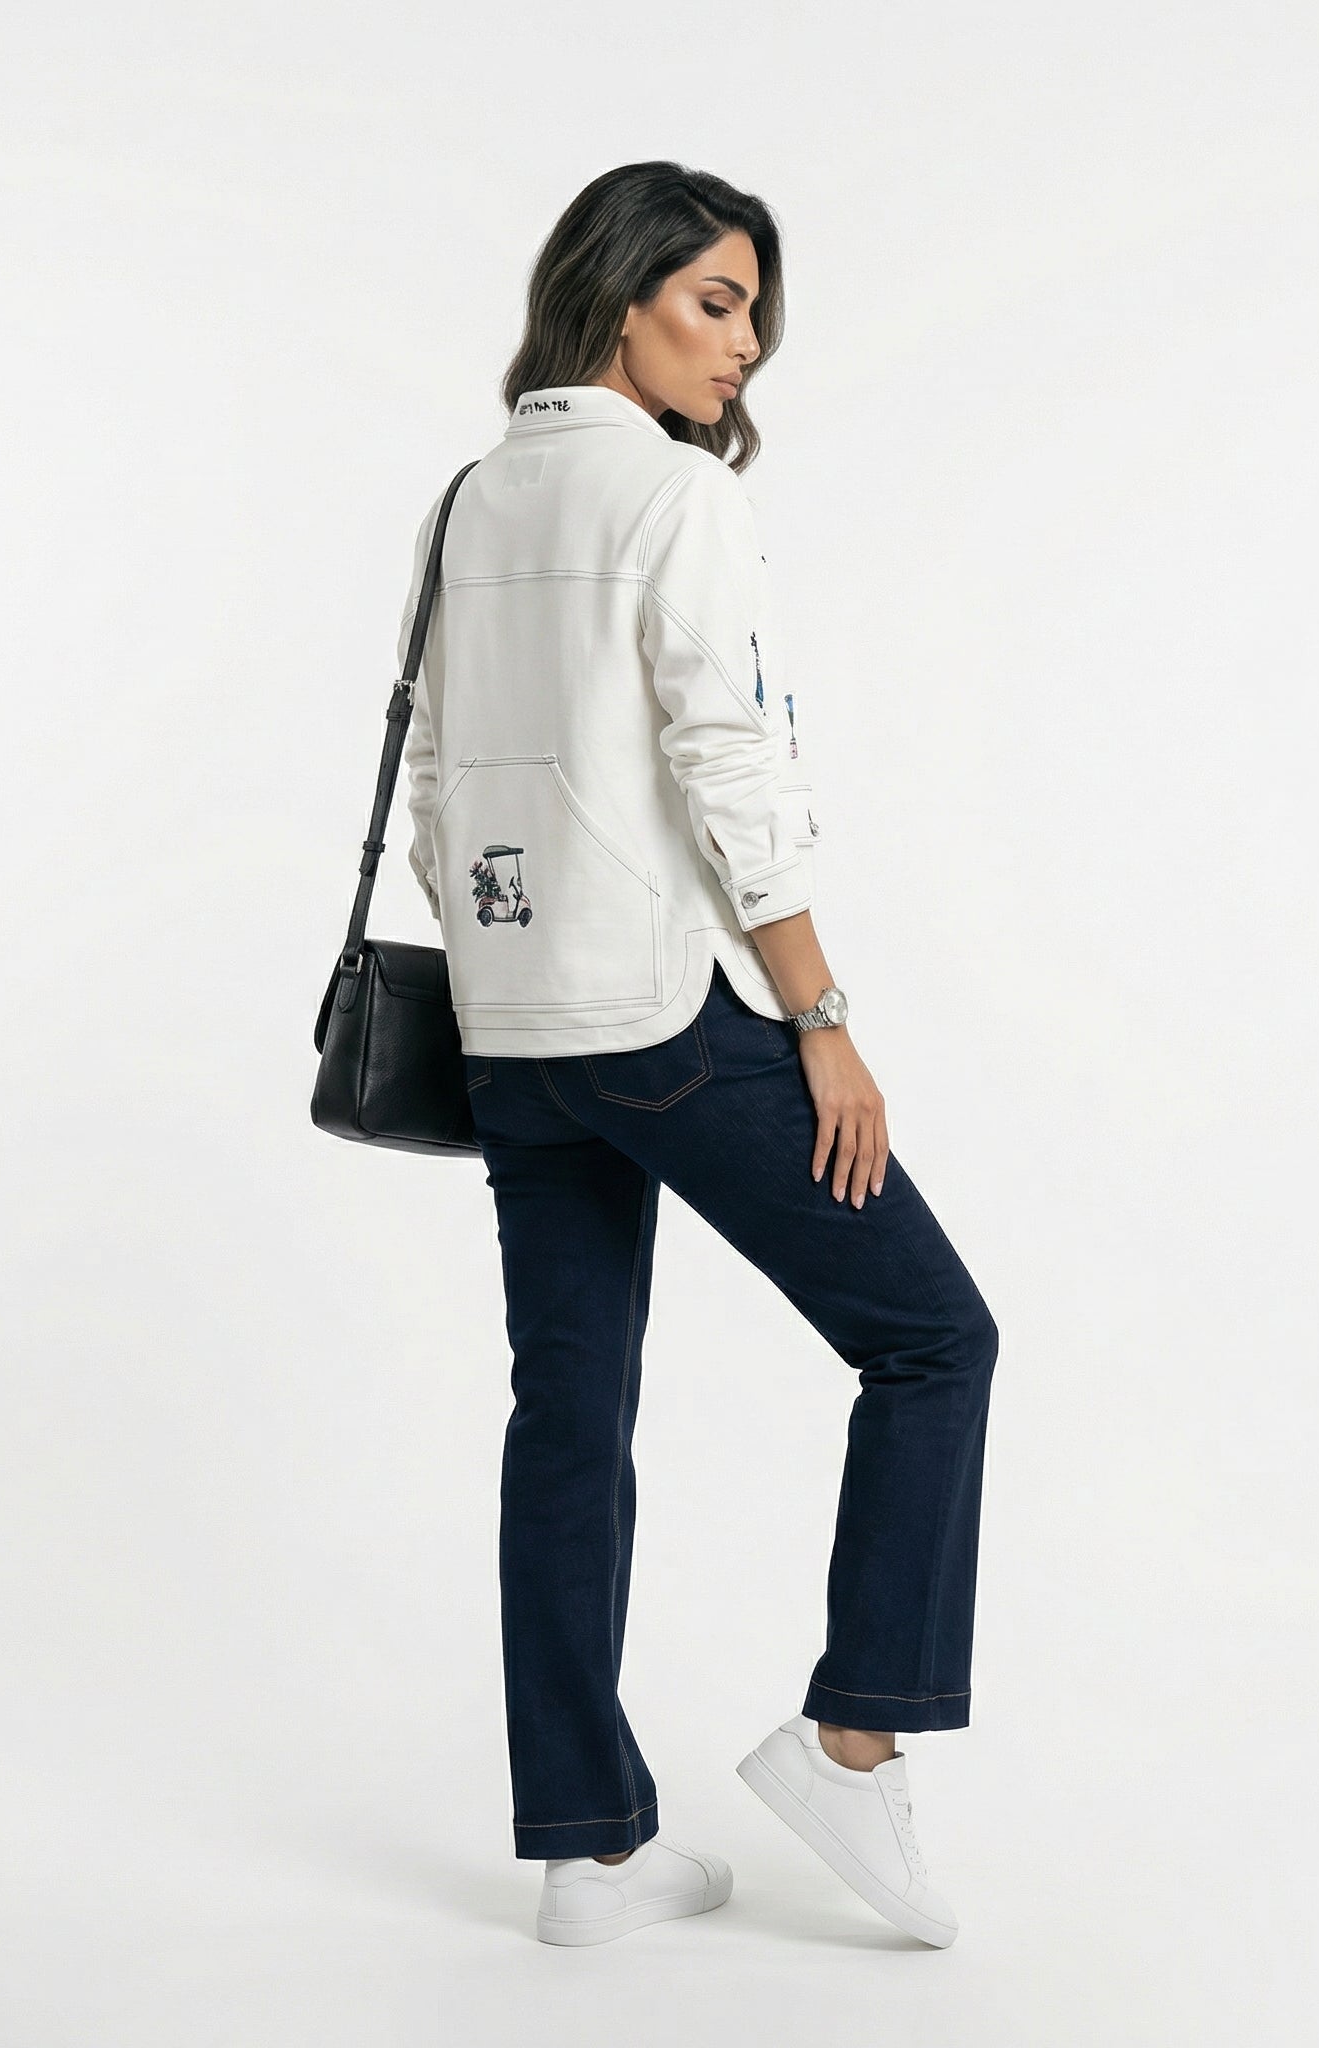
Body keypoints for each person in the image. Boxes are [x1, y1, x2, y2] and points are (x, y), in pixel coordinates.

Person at [396, 162, 999, 1950]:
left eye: (753, 315)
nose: (743, 347)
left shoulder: (468, 497)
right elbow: (730, 766)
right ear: (618, 294)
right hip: (662, 1019)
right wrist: (821, 1021)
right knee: (933, 1339)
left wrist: (512, 955)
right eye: (715, 303)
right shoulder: (675, 495)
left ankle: (589, 1851)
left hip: (512, 1029)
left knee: (567, 1412)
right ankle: (856, 1738)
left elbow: (434, 784)